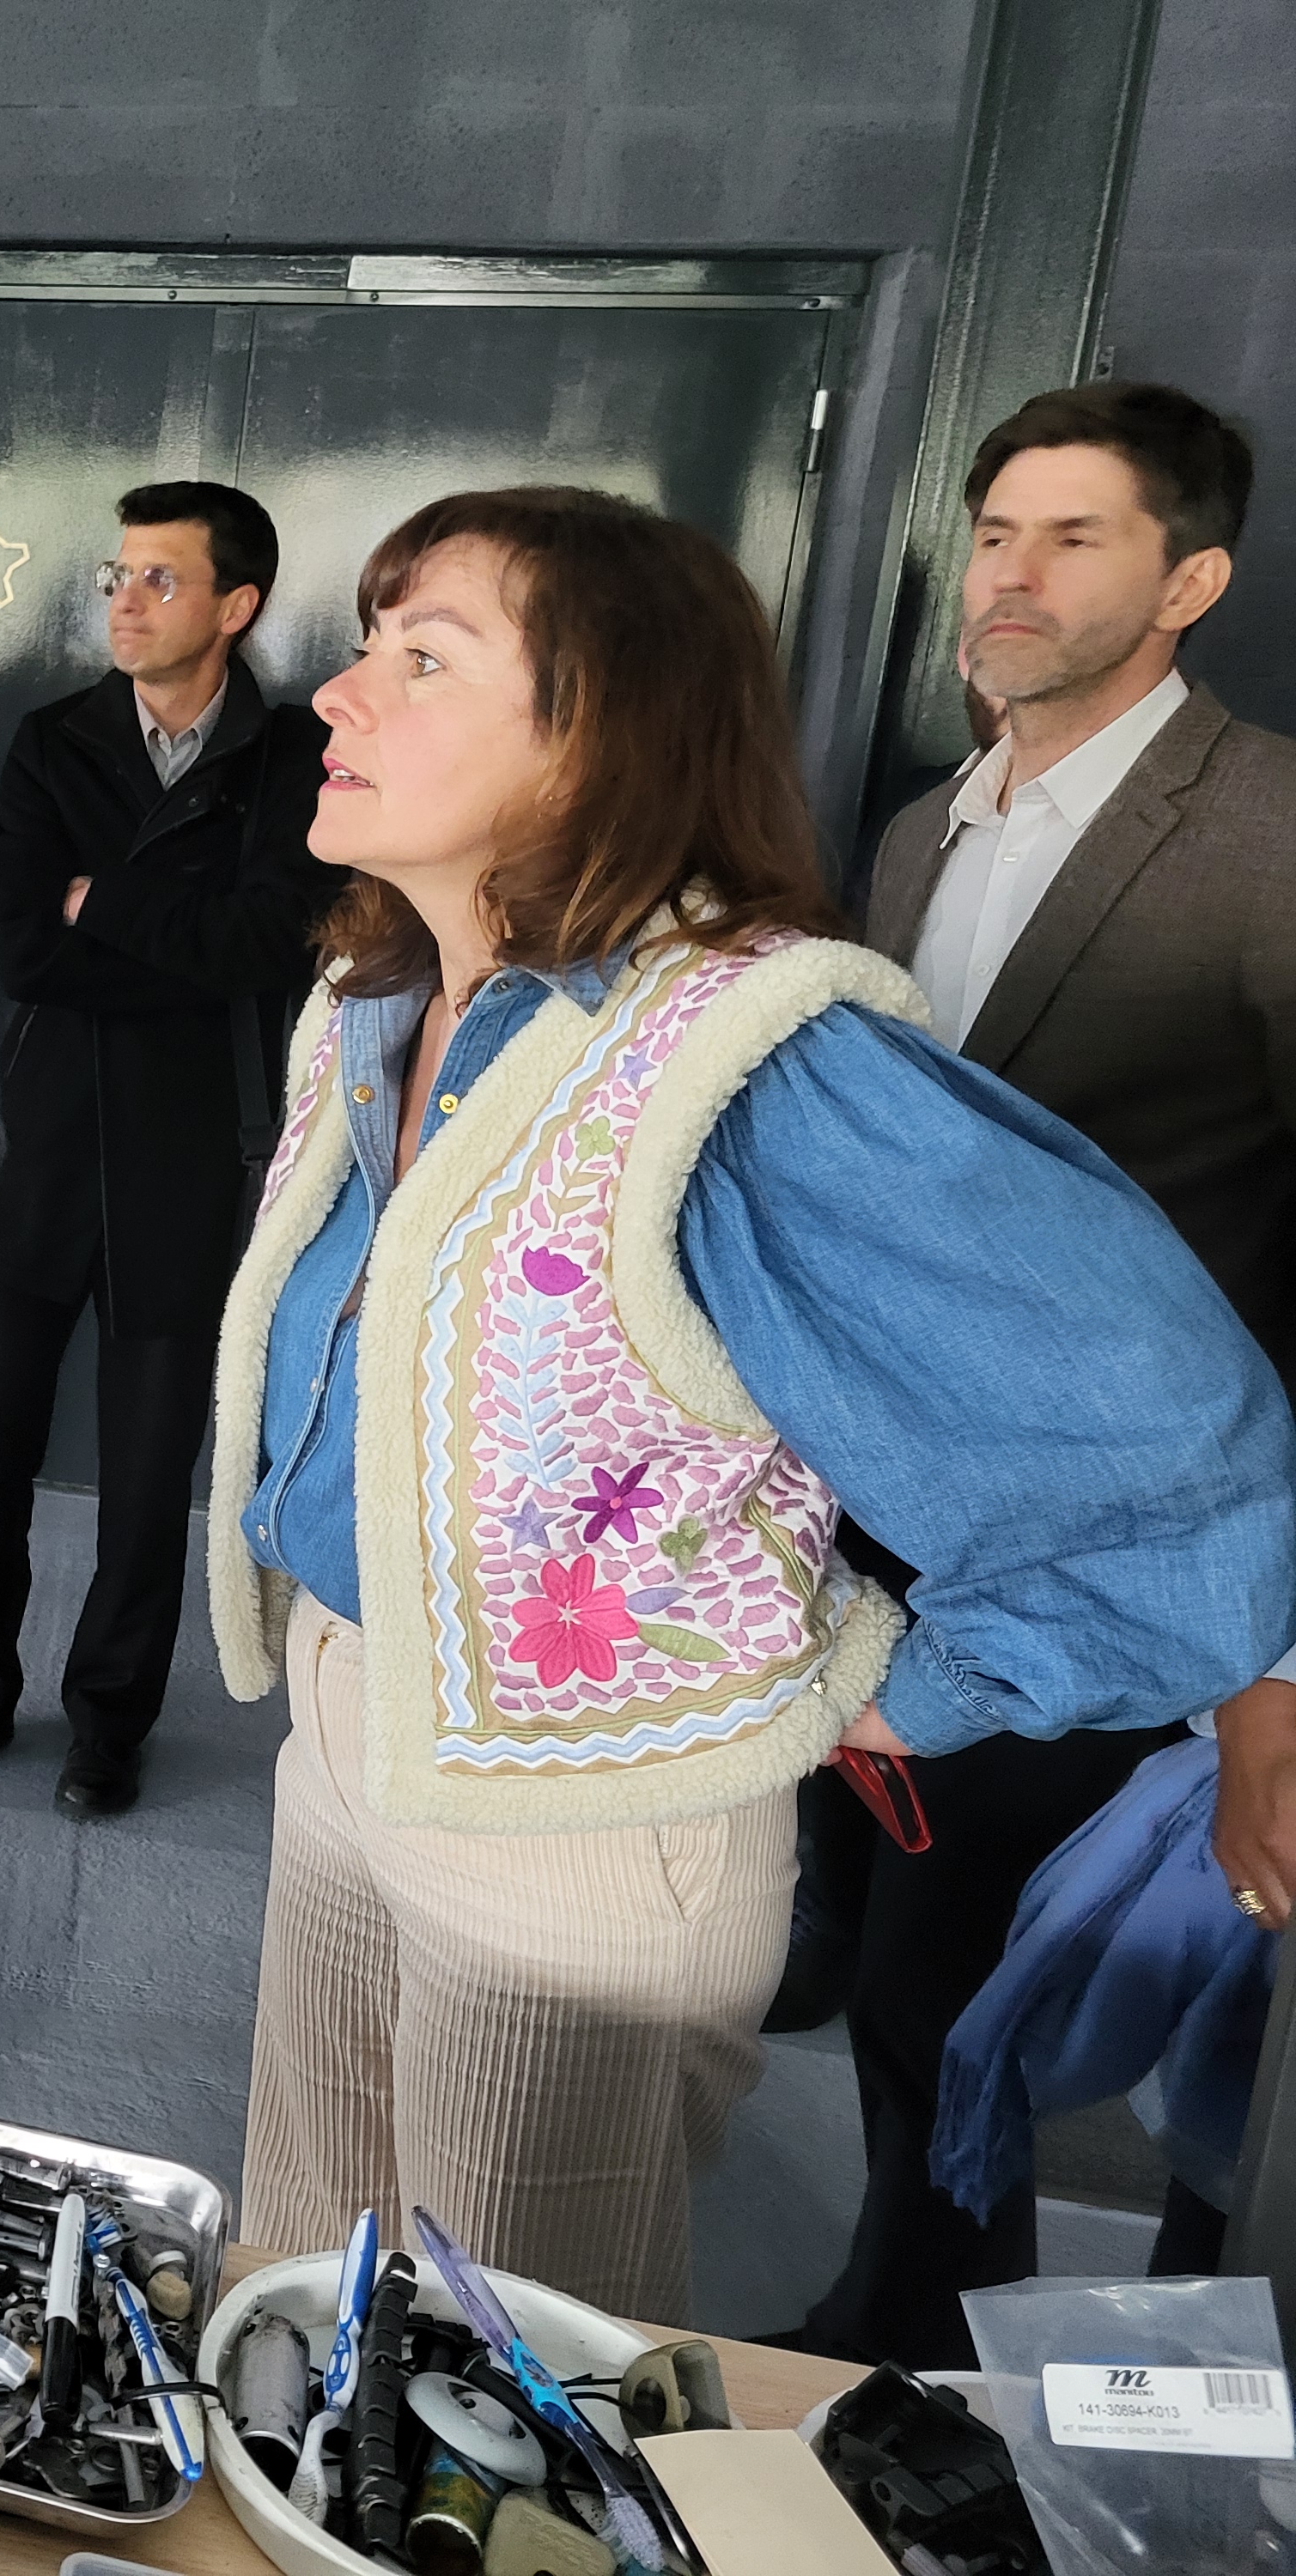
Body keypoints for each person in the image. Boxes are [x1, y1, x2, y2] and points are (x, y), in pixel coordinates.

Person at [210, 484, 1294, 2322]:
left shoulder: (742, 1062)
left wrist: (895, 1681)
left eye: (420, 657)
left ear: (596, 733)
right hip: (350, 1725)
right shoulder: (376, 1005)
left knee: (498, 2368)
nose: (335, 696)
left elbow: (1160, 1439)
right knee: (302, 2268)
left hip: (586, 1814)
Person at [770, 381, 1296, 2358]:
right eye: (993, 529)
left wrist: (1273, 1669)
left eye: (1071, 537)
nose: (1008, 570)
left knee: (965, 1976)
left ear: (1192, 580)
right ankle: (917, 2279)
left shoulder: (1267, 835)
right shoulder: (921, 826)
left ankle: (907, 2329)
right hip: (890, 1518)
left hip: (1122, 1551)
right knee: (898, 1935)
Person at [0, 481, 332, 1819]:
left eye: (161, 579)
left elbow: (274, 941)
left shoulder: (290, 764)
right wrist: (169, 920)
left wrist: (115, 903)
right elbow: (23, 943)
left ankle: (111, 1722)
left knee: (150, 1474)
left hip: (190, 1155)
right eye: (118, 573)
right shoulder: (53, 743)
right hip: (37, 1140)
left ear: (237, 606)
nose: (124, 598)